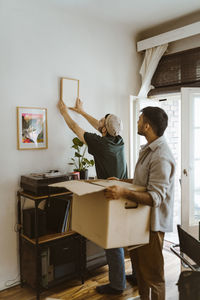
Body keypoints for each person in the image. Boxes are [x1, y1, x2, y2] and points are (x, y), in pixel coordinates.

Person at [104, 106, 175, 300]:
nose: (136, 123)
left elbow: (155, 197)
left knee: (154, 278)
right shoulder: (148, 151)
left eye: (139, 120)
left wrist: (122, 192)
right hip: (139, 222)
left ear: (147, 126)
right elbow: (141, 184)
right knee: (141, 275)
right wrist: (120, 182)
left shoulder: (161, 156)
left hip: (152, 225)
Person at [58, 98, 127, 295]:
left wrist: (64, 112)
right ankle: (124, 279)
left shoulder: (101, 145)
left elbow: (75, 129)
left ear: (104, 130)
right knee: (119, 240)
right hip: (121, 196)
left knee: (112, 243)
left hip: (111, 197)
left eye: (101, 122)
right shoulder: (118, 141)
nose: (98, 122)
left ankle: (117, 285)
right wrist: (82, 110)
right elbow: (98, 127)